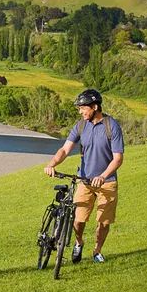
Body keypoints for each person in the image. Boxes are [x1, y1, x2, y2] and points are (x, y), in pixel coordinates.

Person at [44, 89, 124, 264]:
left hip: (107, 182)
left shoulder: (112, 126)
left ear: (95, 107)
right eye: (79, 109)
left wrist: (103, 176)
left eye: (83, 108)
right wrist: (52, 164)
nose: (80, 112)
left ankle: (97, 251)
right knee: (78, 220)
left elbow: (118, 159)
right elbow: (65, 149)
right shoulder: (81, 126)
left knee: (103, 222)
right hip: (85, 181)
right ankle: (79, 242)